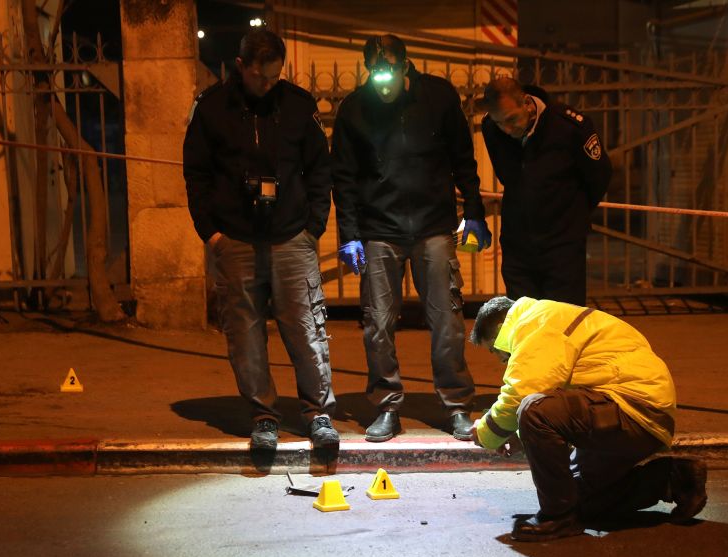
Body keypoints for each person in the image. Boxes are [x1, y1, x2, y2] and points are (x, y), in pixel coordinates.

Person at [182, 29, 339, 450]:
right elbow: (195, 173)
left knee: (306, 330)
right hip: (235, 238)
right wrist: (210, 233)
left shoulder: (298, 106)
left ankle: (318, 413)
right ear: (241, 67)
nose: (266, 85)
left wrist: (313, 228)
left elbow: (319, 170)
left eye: (274, 77)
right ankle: (264, 415)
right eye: (258, 77)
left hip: (291, 237)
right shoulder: (213, 108)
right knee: (246, 334)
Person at [331, 34, 491, 443]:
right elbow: (345, 177)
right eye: (375, 77)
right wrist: (349, 234)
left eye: (389, 76)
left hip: (433, 226)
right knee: (377, 323)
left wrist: (473, 209)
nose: (382, 86)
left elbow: (462, 158)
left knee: (446, 320)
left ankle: (456, 405)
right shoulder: (354, 109)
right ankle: (386, 406)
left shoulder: (437, 97)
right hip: (378, 229)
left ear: (406, 67)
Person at [468, 296, 707, 541]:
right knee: (574, 495)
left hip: (630, 407)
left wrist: (487, 433)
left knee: (533, 409)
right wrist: (520, 433)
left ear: (500, 330)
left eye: (494, 349)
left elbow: (522, 392)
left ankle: (557, 518)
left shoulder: (535, 323)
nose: (499, 359)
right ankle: (672, 479)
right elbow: (557, 395)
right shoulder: (547, 317)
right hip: (641, 413)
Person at [480, 77, 612, 306]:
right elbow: (509, 177)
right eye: (500, 123)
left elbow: (599, 176)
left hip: (562, 246)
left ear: (527, 103)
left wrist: (573, 215)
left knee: (563, 320)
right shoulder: (491, 129)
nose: (507, 129)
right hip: (517, 245)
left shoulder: (569, 127)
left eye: (511, 119)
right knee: (523, 323)